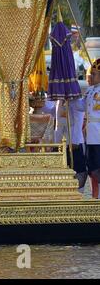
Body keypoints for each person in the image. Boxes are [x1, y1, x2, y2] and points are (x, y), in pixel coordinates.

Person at [73, 58, 100, 199]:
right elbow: (81, 106)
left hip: (98, 134)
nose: (91, 77)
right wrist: (72, 98)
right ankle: (96, 196)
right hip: (90, 135)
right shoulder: (90, 91)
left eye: (94, 74)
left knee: (97, 167)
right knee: (92, 167)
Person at [54, 99, 87, 192]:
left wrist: (75, 141)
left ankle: (78, 193)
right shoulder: (59, 101)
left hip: (74, 142)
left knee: (78, 170)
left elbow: (78, 121)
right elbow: (58, 124)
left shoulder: (75, 101)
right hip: (61, 143)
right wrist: (56, 143)